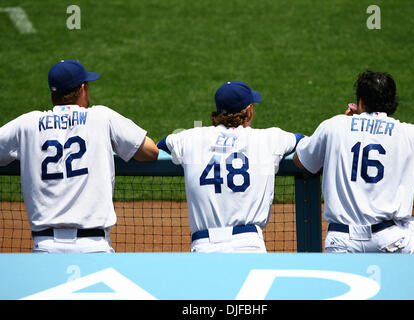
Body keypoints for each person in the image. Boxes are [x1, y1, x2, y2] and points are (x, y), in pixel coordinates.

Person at [0, 60, 159, 253]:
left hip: (45, 249)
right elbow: (151, 152)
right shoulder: (102, 117)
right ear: (83, 88)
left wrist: (26, 153)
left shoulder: (26, 124)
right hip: (93, 248)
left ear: (53, 94)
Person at [293, 70, 414, 253]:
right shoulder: (411, 134)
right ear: (392, 103)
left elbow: (300, 162)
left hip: (341, 243)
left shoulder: (334, 126)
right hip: (390, 242)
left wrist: (347, 128)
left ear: (360, 102)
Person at [157, 81, 304, 252]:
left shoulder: (188, 138)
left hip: (204, 246)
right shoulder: (270, 138)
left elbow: (158, 148)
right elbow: (308, 143)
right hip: (249, 245)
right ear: (249, 110)